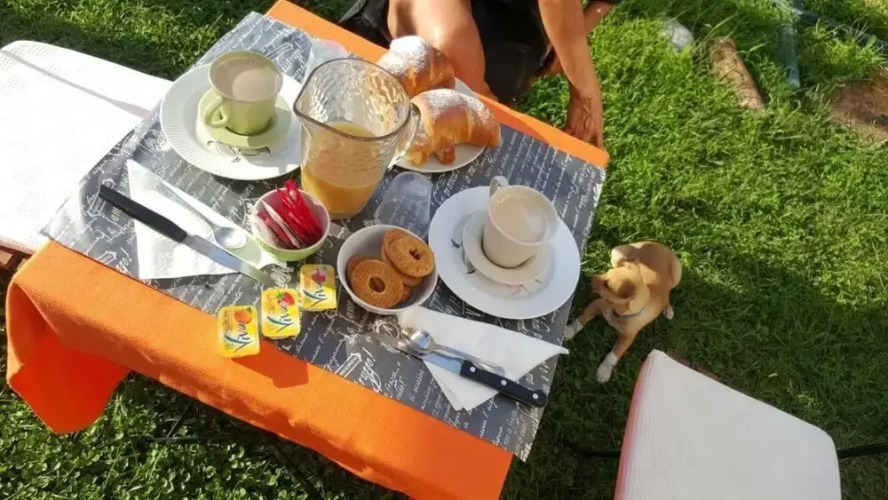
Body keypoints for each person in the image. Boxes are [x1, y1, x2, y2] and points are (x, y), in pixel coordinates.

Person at [341, 0, 617, 148]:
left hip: (519, 24)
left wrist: (581, 24)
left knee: (473, 121)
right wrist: (585, 91)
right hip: (444, 22)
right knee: (452, 52)